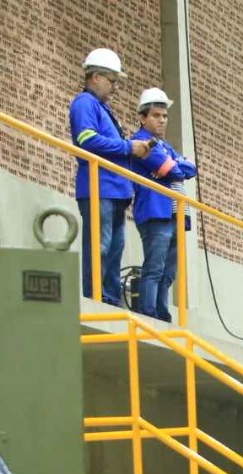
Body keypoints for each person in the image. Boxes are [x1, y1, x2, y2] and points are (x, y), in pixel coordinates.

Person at [70, 48, 152, 305]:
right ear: (95, 77)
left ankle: (109, 299)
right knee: (101, 247)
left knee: (114, 250)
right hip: (99, 188)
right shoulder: (85, 103)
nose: (114, 87)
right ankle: (96, 298)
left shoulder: (101, 108)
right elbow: (87, 139)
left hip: (114, 191)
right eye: (111, 80)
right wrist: (128, 147)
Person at [129, 88, 197, 321]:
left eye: (165, 116)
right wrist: (174, 166)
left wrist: (174, 166)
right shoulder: (141, 142)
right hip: (156, 212)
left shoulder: (164, 146)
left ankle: (161, 313)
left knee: (168, 272)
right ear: (142, 117)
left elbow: (191, 168)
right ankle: (150, 314)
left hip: (176, 214)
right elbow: (174, 171)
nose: (162, 120)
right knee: (155, 268)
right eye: (156, 115)